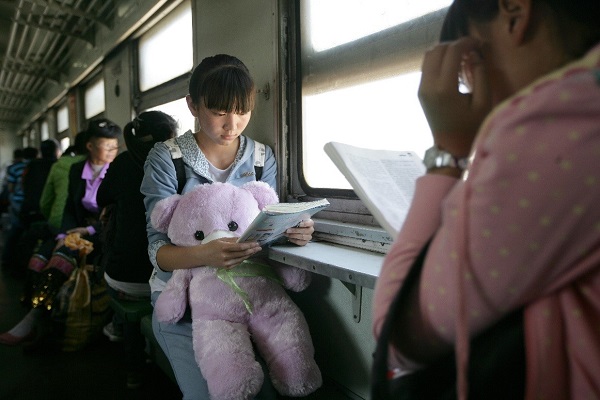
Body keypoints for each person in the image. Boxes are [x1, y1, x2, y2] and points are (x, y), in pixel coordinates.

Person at [372, 0, 600, 399]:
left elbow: (398, 333)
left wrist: (448, 152)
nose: (475, 90)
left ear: (515, 13)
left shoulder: (556, 121)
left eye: (470, 63)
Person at [141, 54, 316, 399]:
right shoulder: (167, 158)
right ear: (193, 105)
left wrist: (292, 230)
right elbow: (157, 250)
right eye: (219, 112)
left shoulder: (261, 158)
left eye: (242, 111)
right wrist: (203, 255)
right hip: (183, 299)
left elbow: (264, 224)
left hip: (252, 288)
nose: (232, 125)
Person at [0, 119, 121, 346]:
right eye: (107, 146)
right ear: (90, 146)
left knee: (60, 259)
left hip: (102, 231)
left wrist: (88, 230)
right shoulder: (77, 170)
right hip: (76, 228)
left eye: (114, 146)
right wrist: (62, 235)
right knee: (39, 257)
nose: (112, 151)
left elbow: (117, 215)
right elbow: (68, 208)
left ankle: (33, 320)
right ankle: (37, 316)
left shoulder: (117, 171)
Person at [97, 110, 178, 389]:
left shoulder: (122, 162)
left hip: (124, 281)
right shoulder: (176, 164)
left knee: (114, 264)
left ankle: (132, 364)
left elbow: (102, 198)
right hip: (169, 278)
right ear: (171, 137)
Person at [39, 131, 89, 234]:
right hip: (89, 224)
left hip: (58, 221)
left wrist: (53, 217)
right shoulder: (103, 166)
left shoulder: (59, 165)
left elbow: (45, 202)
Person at [20, 139, 62, 227]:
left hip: (31, 208)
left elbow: (23, 184)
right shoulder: (59, 165)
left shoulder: (31, 165)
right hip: (53, 209)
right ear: (56, 151)